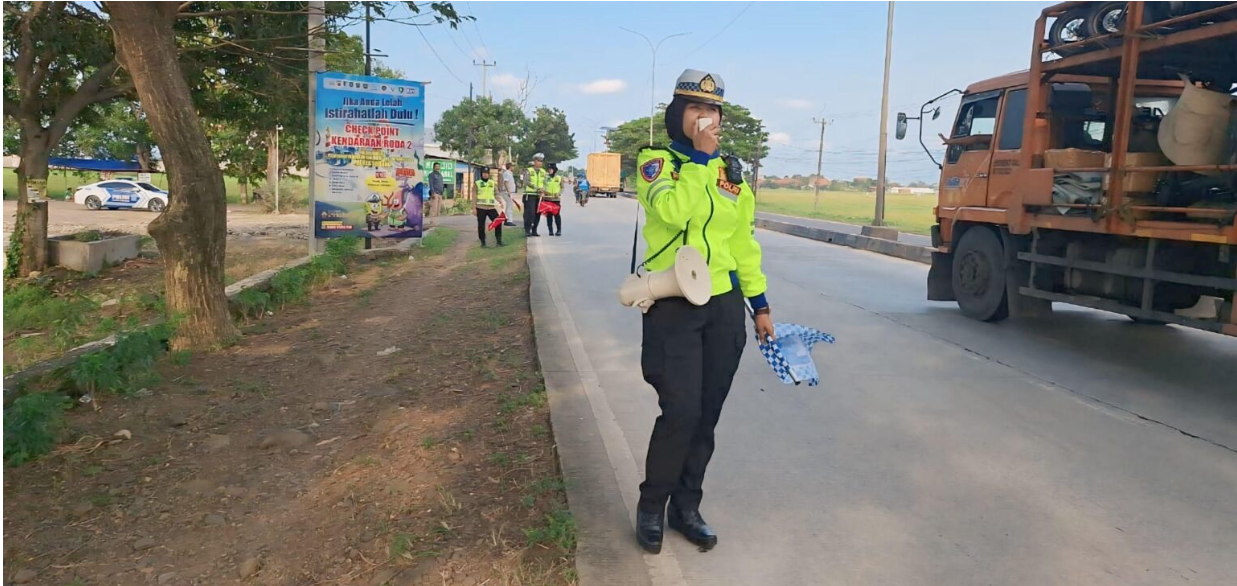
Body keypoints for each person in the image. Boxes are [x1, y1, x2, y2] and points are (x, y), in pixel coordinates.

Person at [632, 69, 776, 555]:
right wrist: (697, 160)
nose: (706, 118)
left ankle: (686, 507)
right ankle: (652, 505)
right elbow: (674, 212)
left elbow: (743, 244)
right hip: (674, 301)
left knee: (706, 413)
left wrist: (759, 304)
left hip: (722, 306)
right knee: (681, 409)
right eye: (696, 110)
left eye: (713, 111)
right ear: (679, 116)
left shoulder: (731, 174)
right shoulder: (658, 164)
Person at [473, 168, 503, 247]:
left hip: (491, 207)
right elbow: (474, 196)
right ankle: (483, 242)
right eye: (483, 173)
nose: (485, 174)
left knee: (498, 222)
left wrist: (500, 201)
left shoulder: (492, 183)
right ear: (481, 174)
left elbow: (496, 194)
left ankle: (499, 241)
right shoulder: (477, 183)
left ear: (489, 174)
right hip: (480, 207)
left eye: (486, 173)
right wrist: (474, 207)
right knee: (481, 225)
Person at [522, 153, 548, 237]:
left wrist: (543, 189)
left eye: (541, 161)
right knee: (530, 213)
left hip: (539, 195)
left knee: (538, 213)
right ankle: (527, 230)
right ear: (534, 161)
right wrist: (537, 188)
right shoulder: (528, 170)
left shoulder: (543, 172)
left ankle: (534, 230)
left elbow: (545, 182)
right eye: (538, 161)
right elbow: (526, 182)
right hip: (530, 195)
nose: (540, 163)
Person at [542, 163, 564, 236]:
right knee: (549, 215)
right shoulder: (545, 177)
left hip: (556, 199)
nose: (549, 170)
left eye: (551, 169)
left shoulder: (559, 177)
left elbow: (562, 187)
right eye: (549, 169)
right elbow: (542, 186)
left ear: (554, 170)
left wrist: (559, 193)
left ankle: (559, 230)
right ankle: (550, 230)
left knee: (557, 215)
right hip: (547, 198)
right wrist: (544, 192)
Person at [500, 162, 518, 227]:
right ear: (510, 167)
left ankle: (507, 219)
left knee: (509, 205)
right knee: (509, 205)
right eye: (513, 166)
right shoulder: (507, 173)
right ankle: (509, 220)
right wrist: (509, 191)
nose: (514, 168)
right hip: (507, 192)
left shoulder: (510, 173)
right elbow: (506, 182)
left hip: (509, 192)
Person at [427, 162, 445, 228]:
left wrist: (442, 193)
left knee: (438, 209)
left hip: (440, 194)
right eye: (436, 166)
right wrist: (432, 193)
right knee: (433, 208)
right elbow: (431, 184)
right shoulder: (431, 175)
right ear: (434, 167)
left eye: (438, 166)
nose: (438, 167)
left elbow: (441, 184)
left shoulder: (440, 175)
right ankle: (432, 222)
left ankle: (436, 222)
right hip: (435, 193)